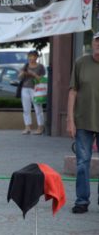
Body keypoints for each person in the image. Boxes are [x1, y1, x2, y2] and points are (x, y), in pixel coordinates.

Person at [67, 32, 99, 214]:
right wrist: (70, 120)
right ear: (93, 42)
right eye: (97, 40)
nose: (98, 44)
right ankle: (82, 201)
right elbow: (73, 92)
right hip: (83, 121)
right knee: (82, 163)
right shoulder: (81, 63)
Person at [18, 50, 46, 135]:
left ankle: (40, 127)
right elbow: (19, 77)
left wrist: (32, 74)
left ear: (37, 57)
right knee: (26, 109)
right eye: (30, 56)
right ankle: (27, 127)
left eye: (33, 56)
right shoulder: (25, 66)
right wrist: (23, 73)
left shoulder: (40, 67)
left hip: (36, 89)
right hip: (25, 88)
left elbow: (41, 79)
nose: (31, 58)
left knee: (38, 108)